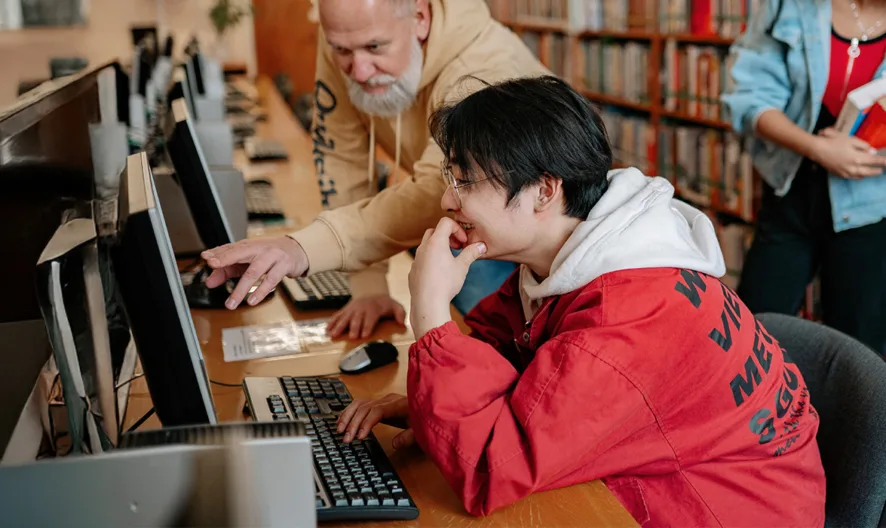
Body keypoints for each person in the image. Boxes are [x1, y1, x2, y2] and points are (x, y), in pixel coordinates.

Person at [333, 76, 826, 524]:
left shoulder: (627, 314)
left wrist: (431, 313)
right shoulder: (571, 259)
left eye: (465, 180)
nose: (447, 200)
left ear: (544, 192)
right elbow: (505, 351)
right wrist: (431, 408)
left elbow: (489, 468)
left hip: (723, 511)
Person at [201, 0, 546, 337]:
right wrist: (368, 286)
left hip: (526, 229)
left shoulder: (484, 64)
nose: (359, 70)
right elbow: (342, 158)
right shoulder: (349, 35)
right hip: (468, 218)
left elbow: (436, 190)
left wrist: (302, 248)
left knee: (495, 354)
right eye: (342, 51)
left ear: (420, 18)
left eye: (375, 47)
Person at [721, 0, 886, 354]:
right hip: (791, 190)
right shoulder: (789, 5)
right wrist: (817, 148)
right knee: (751, 330)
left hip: (873, 208)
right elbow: (748, 98)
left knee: (860, 348)